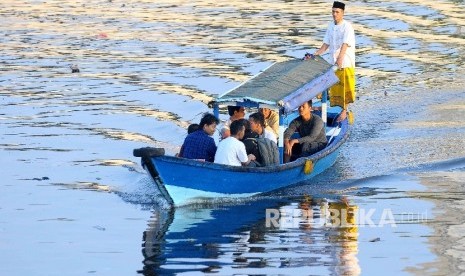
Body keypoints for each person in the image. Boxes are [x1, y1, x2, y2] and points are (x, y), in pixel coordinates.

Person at [314, 1, 356, 122]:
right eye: (333, 12)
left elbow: (345, 44)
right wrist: (316, 53)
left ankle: (344, 111)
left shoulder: (347, 26)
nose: (334, 14)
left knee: (344, 87)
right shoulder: (330, 26)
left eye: (337, 12)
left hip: (345, 62)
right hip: (332, 61)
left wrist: (340, 58)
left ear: (342, 13)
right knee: (329, 85)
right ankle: (324, 106)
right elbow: (326, 44)